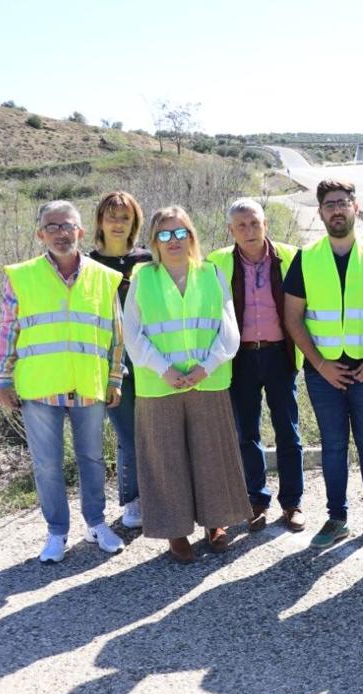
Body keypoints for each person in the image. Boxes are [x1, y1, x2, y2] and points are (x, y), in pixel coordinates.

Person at [0, 200, 126, 563]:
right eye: (52, 227)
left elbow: (116, 333)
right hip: (40, 386)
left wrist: (115, 377)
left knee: (93, 459)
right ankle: (56, 533)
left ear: (81, 231)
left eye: (68, 226)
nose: (61, 233)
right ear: (40, 234)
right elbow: (8, 329)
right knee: (47, 463)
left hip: (88, 385)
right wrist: (1, 378)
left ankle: (96, 524)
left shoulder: (104, 276)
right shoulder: (21, 275)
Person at [124, 206, 251, 562]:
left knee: (213, 453)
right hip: (159, 384)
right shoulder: (142, 278)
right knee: (165, 459)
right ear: (154, 241)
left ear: (191, 236)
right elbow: (132, 333)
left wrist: (205, 368)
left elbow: (229, 331)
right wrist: (163, 368)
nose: (174, 240)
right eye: (165, 234)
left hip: (206, 382)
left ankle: (217, 522)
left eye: (180, 233)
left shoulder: (211, 274)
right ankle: (176, 530)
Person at [283, 180, 363, 549]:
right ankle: (337, 518)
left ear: (356, 208)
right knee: (332, 445)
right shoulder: (306, 257)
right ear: (320, 212)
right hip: (323, 372)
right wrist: (320, 363)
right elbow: (293, 318)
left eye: (343, 203)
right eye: (329, 204)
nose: (337, 210)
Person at [208, 199, 304, 534]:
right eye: (241, 225)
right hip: (241, 358)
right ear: (230, 231)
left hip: (280, 354)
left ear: (266, 225)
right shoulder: (216, 263)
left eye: (255, 223)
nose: (249, 231)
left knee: (288, 430)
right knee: (246, 433)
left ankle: (293, 502)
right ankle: (255, 500)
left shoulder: (291, 257)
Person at [89, 191, 152, 530]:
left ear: (134, 223)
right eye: (111, 216)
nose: (118, 223)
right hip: (110, 364)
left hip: (150, 358)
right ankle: (133, 500)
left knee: (156, 431)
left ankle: (163, 495)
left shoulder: (147, 260)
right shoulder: (88, 264)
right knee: (129, 435)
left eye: (124, 218)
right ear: (99, 220)